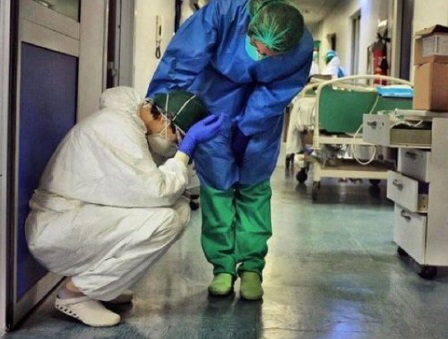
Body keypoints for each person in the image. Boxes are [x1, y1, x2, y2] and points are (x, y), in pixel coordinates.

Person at [147, 0, 313, 301]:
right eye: (255, 46)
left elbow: (279, 90)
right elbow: (183, 58)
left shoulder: (301, 46)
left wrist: (249, 125)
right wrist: (161, 107)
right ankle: (222, 267)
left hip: (263, 112)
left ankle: (252, 267)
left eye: (270, 55)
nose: (259, 55)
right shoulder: (224, 12)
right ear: (250, 26)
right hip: (213, 97)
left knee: (254, 188)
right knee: (217, 188)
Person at [25, 87, 224, 327]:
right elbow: (157, 192)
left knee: (179, 210)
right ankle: (76, 294)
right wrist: (184, 152)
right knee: (166, 220)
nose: (175, 146)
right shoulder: (117, 129)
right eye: (178, 139)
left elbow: (154, 190)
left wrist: (186, 155)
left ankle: (101, 286)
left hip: (76, 215)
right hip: (54, 227)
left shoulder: (131, 126)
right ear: (163, 118)